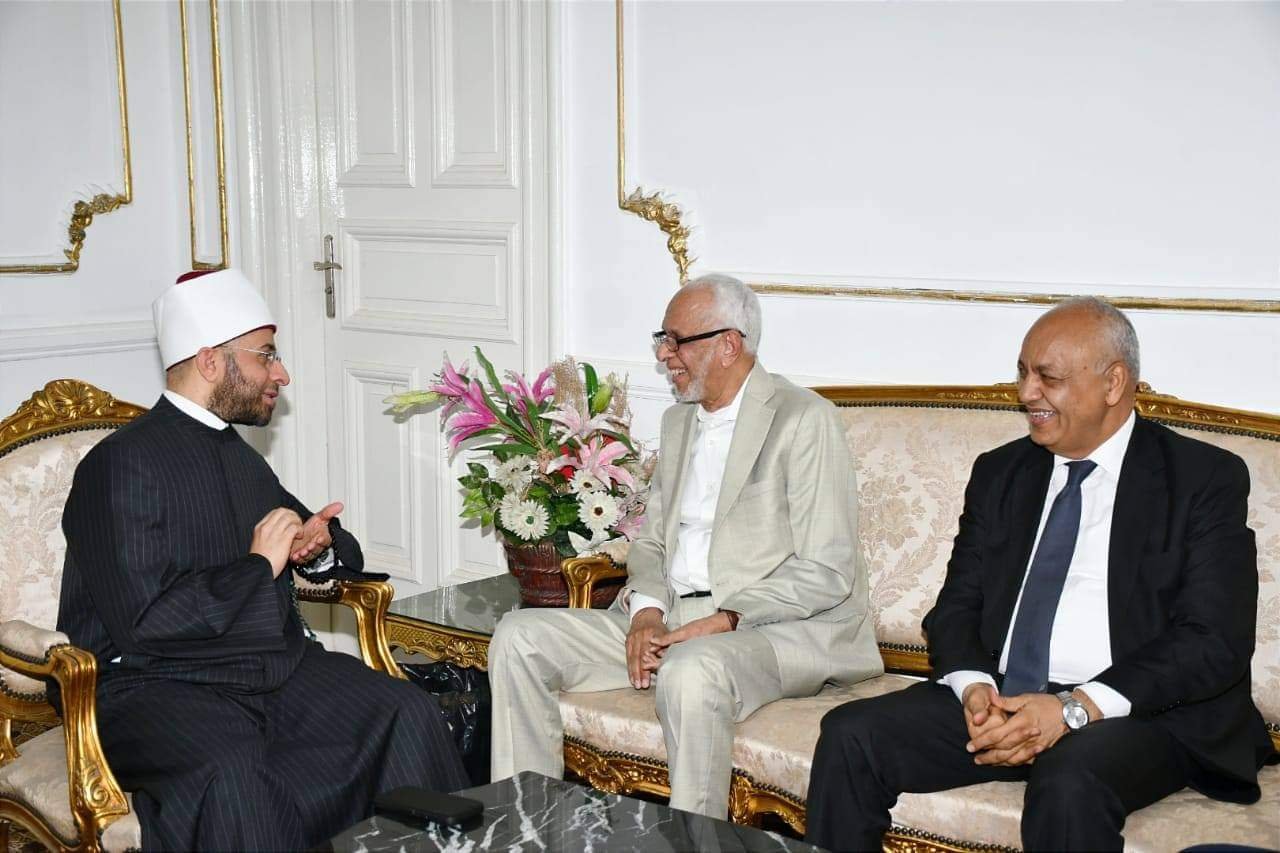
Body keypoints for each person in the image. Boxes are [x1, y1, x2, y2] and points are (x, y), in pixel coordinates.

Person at [805, 297, 1277, 851]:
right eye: (1023, 373)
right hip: (1006, 694)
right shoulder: (1002, 472)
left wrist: (1074, 707)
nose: (1027, 393)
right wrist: (976, 689)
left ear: (1113, 383)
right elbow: (956, 607)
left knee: (1069, 780)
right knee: (850, 735)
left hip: (1137, 710)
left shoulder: (1202, 478)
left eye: (1048, 378)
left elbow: (1213, 640)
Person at [55, 269, 467, 851]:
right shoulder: (118, 466)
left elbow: (318, 534)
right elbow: (146, 624)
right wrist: (258, 566)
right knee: (236, 776)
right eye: (266, 355)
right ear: (210, 361)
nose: (282, 374)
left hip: (264, 666)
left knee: (405, 710)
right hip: (149, 685)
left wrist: (314, 550)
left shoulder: (239, 455)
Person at [488, 273, 883, 818]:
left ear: (729, 344)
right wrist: (647, 611)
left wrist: (724, 619)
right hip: (675, 618)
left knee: (691, 668)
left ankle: (693, 838)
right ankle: (525, 826)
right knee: (518, 637)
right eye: (662, 339)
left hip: (770, 630)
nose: (664, 355)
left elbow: (827, 569)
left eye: (677, 340)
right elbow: (651, 542)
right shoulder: (678, 422)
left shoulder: (802, 419)